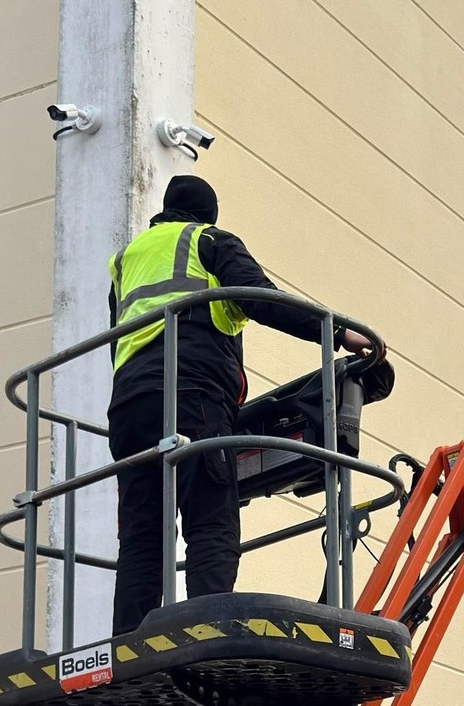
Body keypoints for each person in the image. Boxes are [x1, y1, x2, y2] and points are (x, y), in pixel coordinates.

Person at [105, 174, 370, 633]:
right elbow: (259, 298)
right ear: (209, 213)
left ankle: (130, 645)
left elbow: (120, 337)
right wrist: (337, 331)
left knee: (142, 536)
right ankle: (204, 629)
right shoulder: (208, 240)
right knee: (211, 517)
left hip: (129, 406)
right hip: (193, 396)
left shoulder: (125, 261)